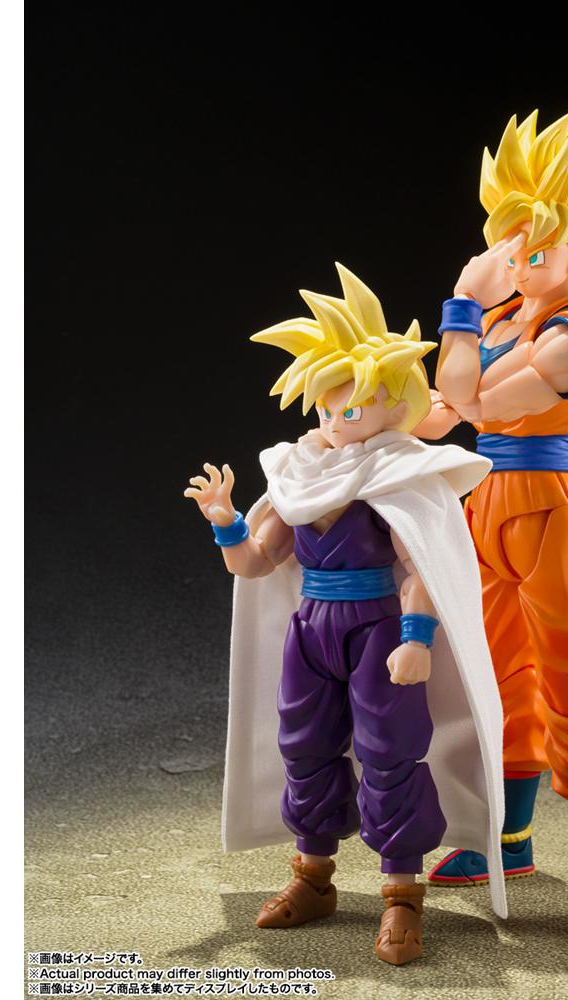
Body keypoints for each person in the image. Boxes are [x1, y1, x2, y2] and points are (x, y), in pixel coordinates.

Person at [185, 263, 506, 965]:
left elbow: (423, 565)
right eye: (325, 410)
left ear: (395, 406)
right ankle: (313, 876)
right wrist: (226, 522)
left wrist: (416, 637)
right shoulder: (300, 474)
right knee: (304, 749)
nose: (334, 423)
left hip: (378, 630)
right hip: (312, 630)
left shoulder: (402, 474)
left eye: (351, 411)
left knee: (391, 755)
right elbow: (255, 564)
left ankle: (402, 894)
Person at [416, 93, 568, 949]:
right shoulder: (509, 317)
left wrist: (459, 303)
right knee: (489, 674)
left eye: (537, 246)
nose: (517, 262)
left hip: (551, 510)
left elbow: (476, 400)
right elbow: (437, 414)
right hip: (484, 503)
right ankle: (505, 840)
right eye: (510, 245)